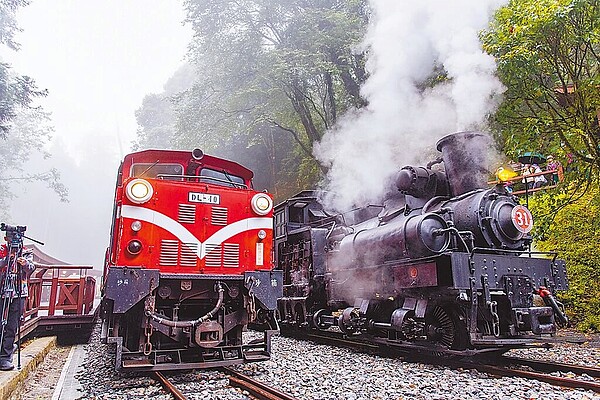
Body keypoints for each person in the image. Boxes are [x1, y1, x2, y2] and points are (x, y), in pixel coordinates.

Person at [0, 239, 35, 371]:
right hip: (2, 291)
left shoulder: (25, 252)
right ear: (6, 238)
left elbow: (31, 268)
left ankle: (5, 356)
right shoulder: (2, 250)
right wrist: (7, 260)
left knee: (11, 325)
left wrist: (24, 263)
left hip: (19, 292)